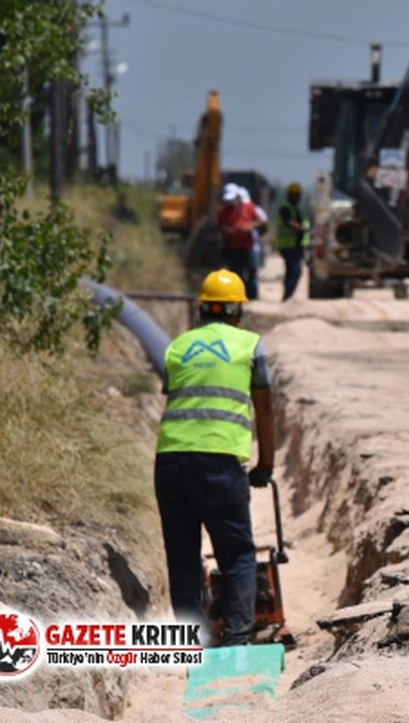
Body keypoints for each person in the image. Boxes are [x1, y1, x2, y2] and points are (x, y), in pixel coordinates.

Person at [154, 269, 276, 647]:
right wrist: (266, 464)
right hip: (220, 463)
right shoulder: (250, 346)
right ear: (239, 310)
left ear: (202, 310)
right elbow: (264, 407)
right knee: (237, 555)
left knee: (182, 558)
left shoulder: (177, 347)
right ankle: (237, 641)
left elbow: (179, 391)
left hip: (170, 462)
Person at [216, 184, 261, 299]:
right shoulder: (224, 211)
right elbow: (219, 225)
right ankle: (237, 295)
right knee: (236, 273)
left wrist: (250, 227)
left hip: (247, 246)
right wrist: (226, 231)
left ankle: (251, 295)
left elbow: (260, 222)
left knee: (251, 271)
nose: (230, 203)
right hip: (233, 247)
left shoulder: (248, 207)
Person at [276, 182, 311, 301]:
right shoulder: (286, 208)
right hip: (288, 246)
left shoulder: (295, 209)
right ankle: (288, 295)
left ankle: (288, 295)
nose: (297, 198)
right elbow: (289, 222)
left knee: (292, 271)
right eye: (295, 195)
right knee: (295, 271)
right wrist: (303, 229)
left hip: (295, 245)